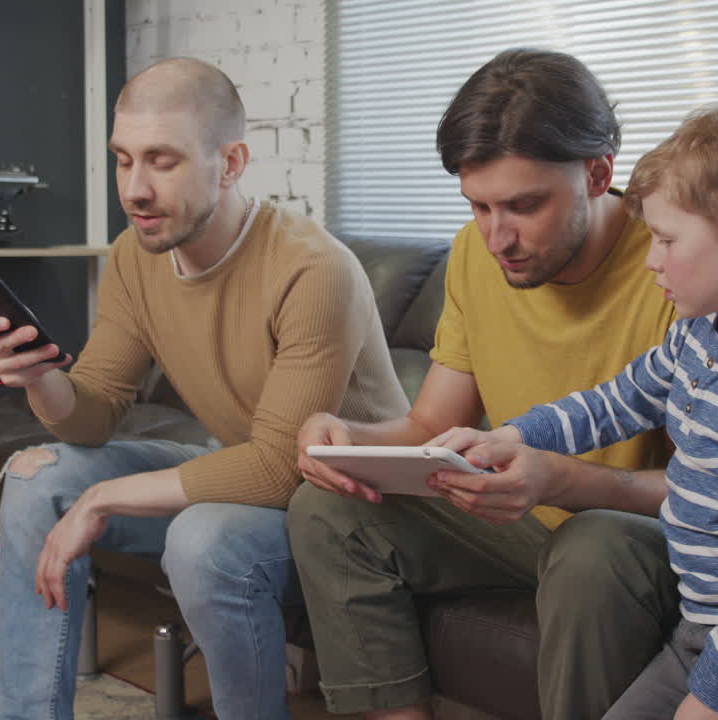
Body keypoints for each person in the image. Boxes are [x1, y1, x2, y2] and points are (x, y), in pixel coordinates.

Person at [0, 57, 409, 720]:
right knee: (39, 481)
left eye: (162, 161)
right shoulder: (134, 256)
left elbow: (275, 469)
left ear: (230, 163)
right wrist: (40, 378)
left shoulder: (313, 270)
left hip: (342, 505)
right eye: (123, 160)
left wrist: (103, 498)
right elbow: (90, 415)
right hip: (245, 476)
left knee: (202, 538)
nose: (135, 189)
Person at [435, 103, 718, 719]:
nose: (650, 259)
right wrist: (513, 433)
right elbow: (612, 404)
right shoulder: (697, 334)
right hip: (707, 630)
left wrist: (715, 695)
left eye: (667, 240)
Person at [288, 48, 681, 720]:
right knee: (327, 511)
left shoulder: (675, 264)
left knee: (591, 551)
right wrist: (344, 437)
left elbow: (710, 491)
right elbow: (428, 424)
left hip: (633, 538)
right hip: (523, 523)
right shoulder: (475, 255)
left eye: (525, 206)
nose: (499, 238)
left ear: (598, 172)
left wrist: (555, 479)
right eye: (478, 206)